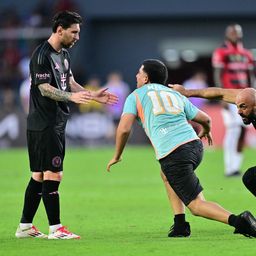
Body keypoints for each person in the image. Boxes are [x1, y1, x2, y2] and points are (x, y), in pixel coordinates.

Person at [107, 59, 256, 238]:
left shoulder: (135, 95)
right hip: (194, 146)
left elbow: (124, 128)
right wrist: (205, 129)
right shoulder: (174, 94)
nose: (136, 75)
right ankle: (180, 224)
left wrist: (117, 154)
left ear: (146, 78)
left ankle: (240, 221)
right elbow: (208, 115)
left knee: (196, 205)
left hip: (174, 152)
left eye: (139, 72)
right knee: (167, 174)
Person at [15, 10, 118, 240]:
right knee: (54, 173)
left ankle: (25, 226)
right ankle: (56, 229)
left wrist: (91, 95)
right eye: (74, 32)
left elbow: (68, 82)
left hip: (53, 122)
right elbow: (44, 88)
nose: (77, 37)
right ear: (60, 30)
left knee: (39, 175)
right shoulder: (42, 55)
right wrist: (71, 98)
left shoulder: (63, 55)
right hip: (45, 123)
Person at [170, 84, 256, 199]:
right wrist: (187, 92)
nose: (238, 112)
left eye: (243, 107)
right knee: (251, 177)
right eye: (238, 106)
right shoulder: (248, 97)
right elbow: (220, 93)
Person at [212, 24, 254, 177]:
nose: (235, 35)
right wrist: (220, 95)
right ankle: (229, 167)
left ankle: (236, 166)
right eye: (232, 32)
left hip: (245, 96)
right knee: (234, 129)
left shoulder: (246, 54)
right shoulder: (221, 51)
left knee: (242, 130)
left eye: (237, 32)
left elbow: (251, 77)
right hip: (230, 96)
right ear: (227, 34)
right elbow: (218, 73)